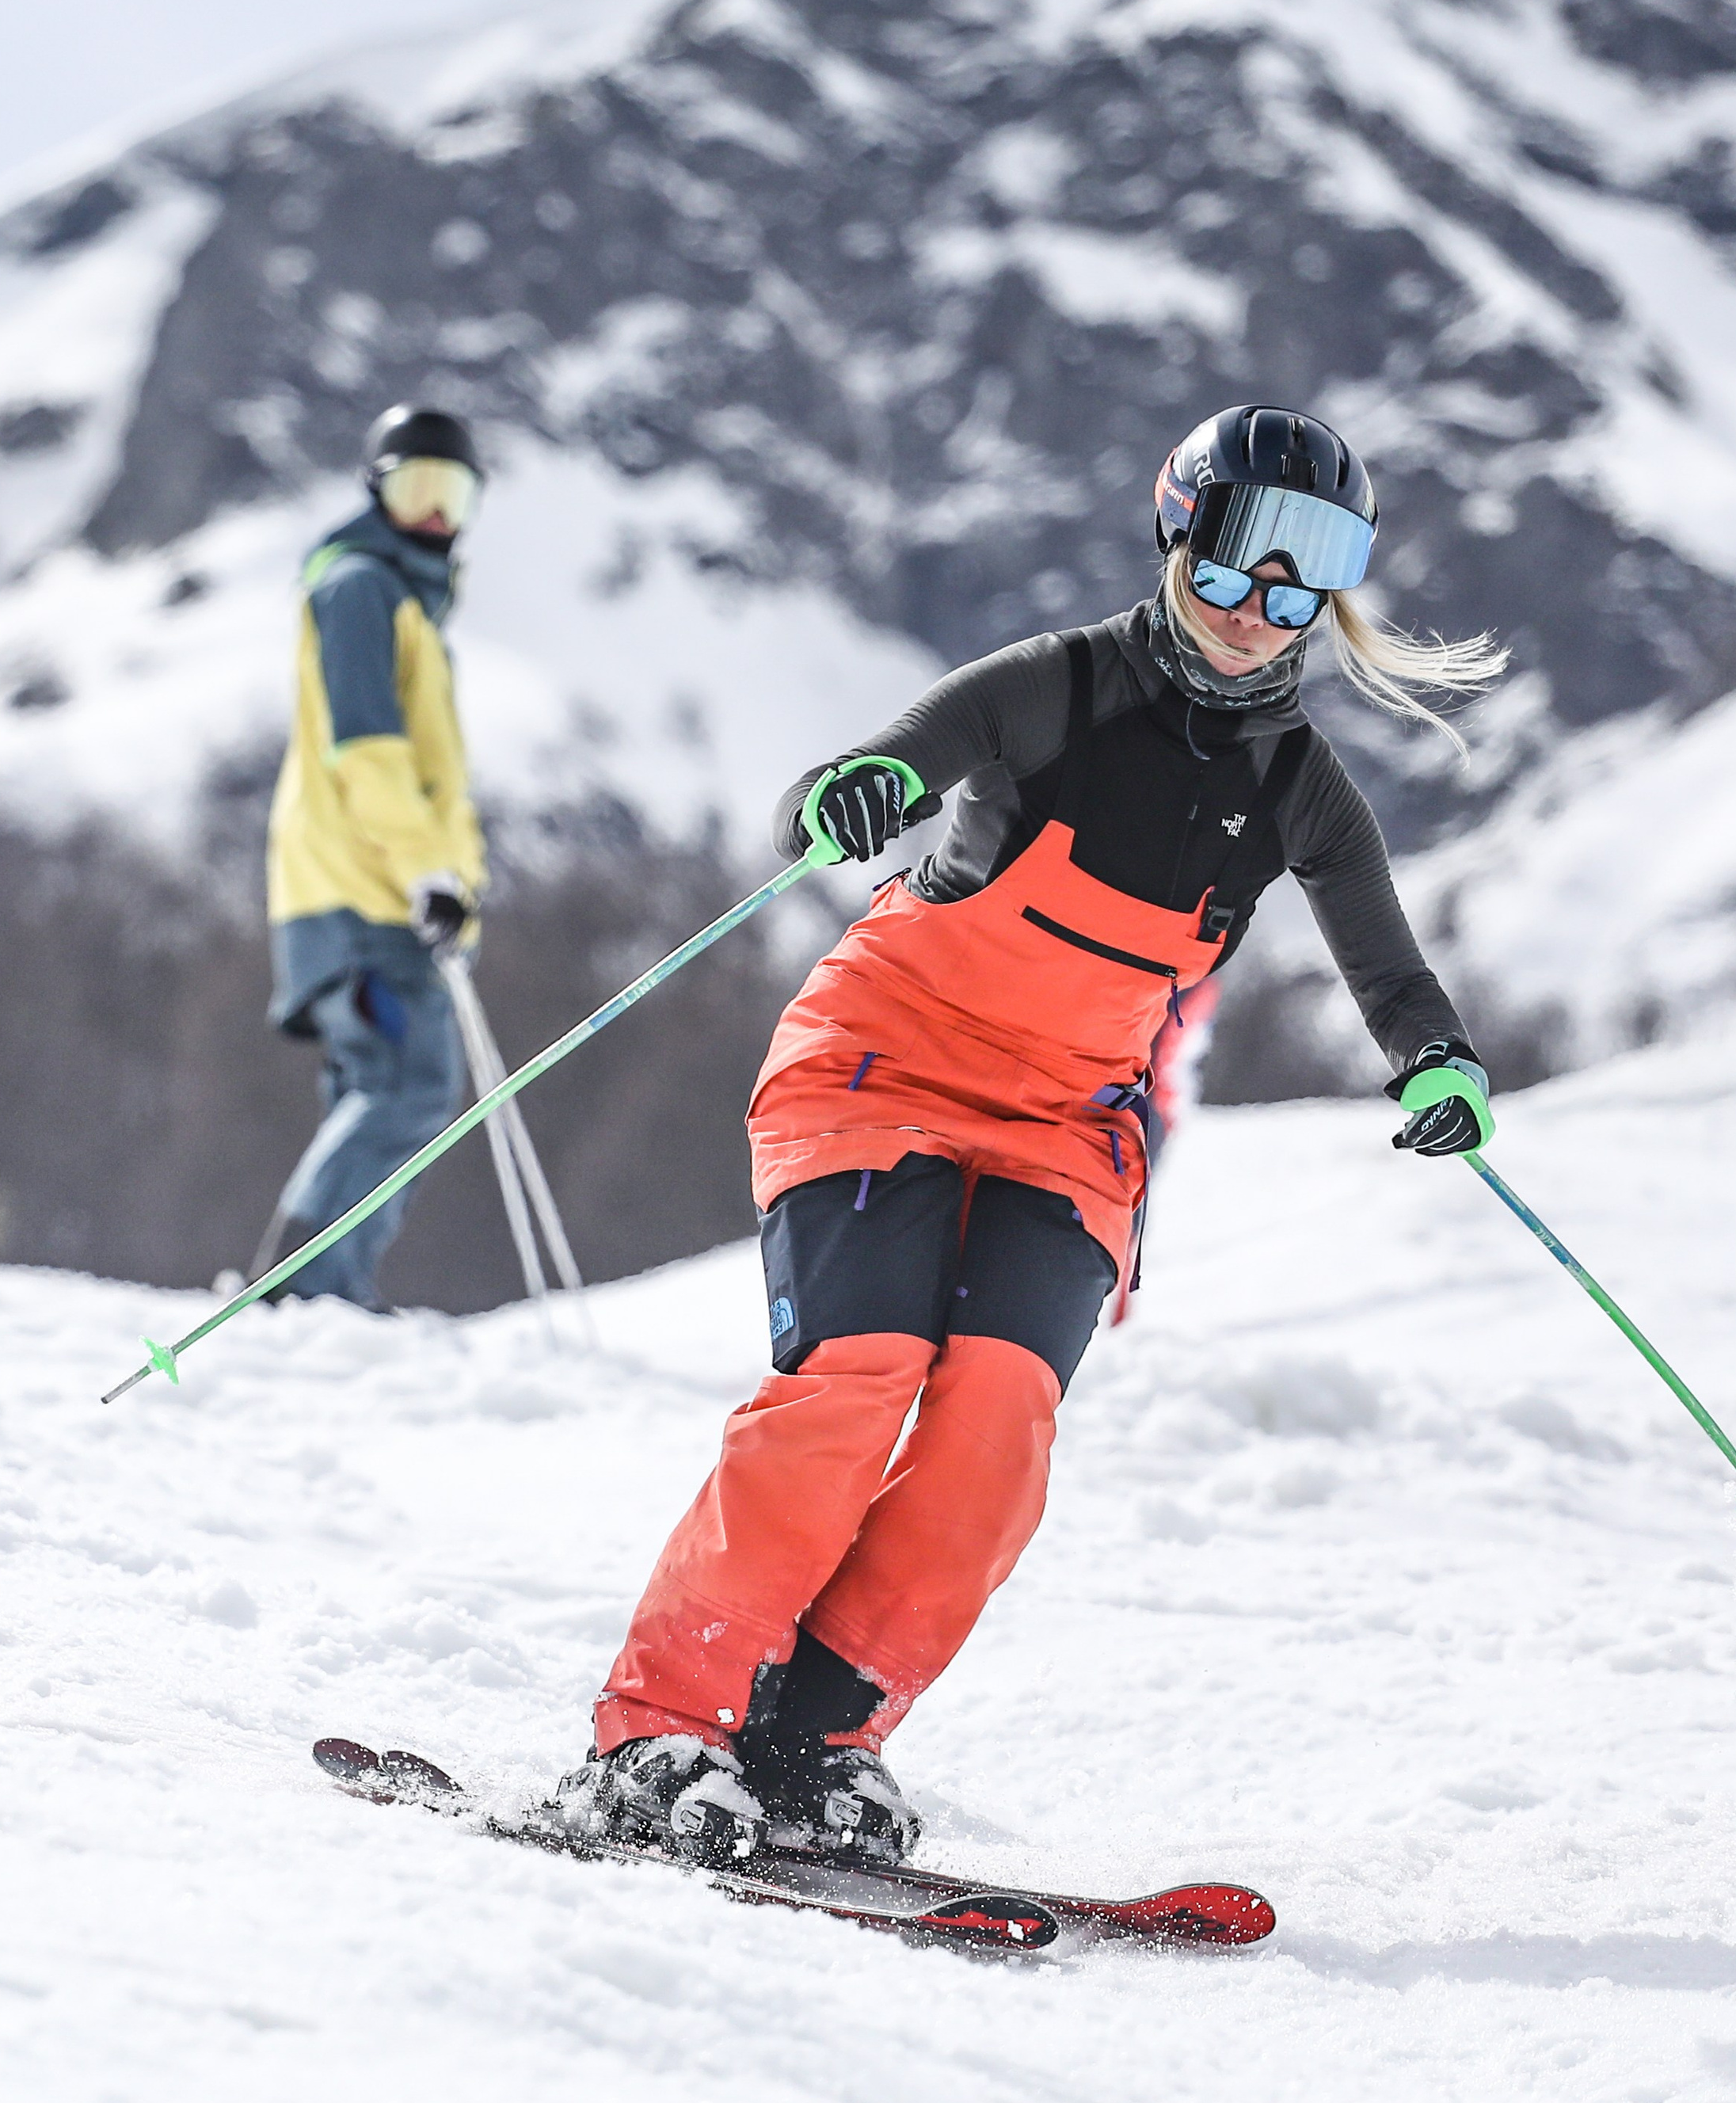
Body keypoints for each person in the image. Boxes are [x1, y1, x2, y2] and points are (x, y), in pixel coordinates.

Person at [562, 405, 1506, 1865]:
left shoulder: (1298, 788)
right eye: (1240, 556)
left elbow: (1386, 967)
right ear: (1175, 529)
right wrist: (848, 796)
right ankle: (658, 1730)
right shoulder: (1057, 690)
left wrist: (1434, 1062)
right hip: (880, 1064)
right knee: (856, 1378)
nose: (1264, 607)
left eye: (1308, 571)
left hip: (1066, 1123)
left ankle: (815, 1741)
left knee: (996, 1430)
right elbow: (862, 774)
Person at [260, 406, 488, 1309]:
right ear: (375, 489)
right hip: (365, 896)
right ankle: (309, 1288)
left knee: (374, 1088)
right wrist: (428, 872)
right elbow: (369, 751)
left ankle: (322, 1292)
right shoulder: (361, 589)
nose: (432, 512)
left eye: (452, 492)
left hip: (351, 891)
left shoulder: (406, 607)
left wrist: (456, 879)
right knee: (409, 1083)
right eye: (412, 486)